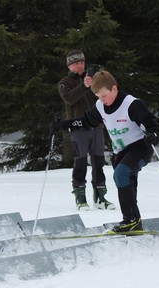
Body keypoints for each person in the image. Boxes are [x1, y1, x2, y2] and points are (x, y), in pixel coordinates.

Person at [52, 71, 159, 233]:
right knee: (126, 180)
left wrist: (155, 134)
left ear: (114, 89)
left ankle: (130, 220)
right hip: (121, 151)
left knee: (121, 174)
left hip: (140, 147)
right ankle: (134, 222)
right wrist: (62, 125)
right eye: (98, 96)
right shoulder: (100, 106)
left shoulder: (131, 104)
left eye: (104, 95)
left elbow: (153, 124)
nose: (102, 100)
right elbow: (85, 121)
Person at [57, 50, 115, 211]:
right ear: (69, 66)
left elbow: (103, 97)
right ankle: (80, 197)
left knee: (98, 163)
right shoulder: (64, 82)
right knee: (80, 162)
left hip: (96, 126)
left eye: (82, 62)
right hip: (78, 128)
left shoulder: (93, 79)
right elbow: (69, 98)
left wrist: (94, 84)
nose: (80, 65)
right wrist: (83, 86)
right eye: (76, 63)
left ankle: (100, 197)